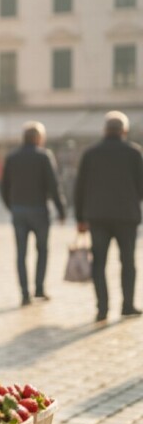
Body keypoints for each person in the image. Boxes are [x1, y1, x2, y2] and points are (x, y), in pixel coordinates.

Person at [74, 111, 143, 322]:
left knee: (99, 263)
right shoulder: (134, 152)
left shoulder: (91, 153)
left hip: (98, 216)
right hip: (126, 216)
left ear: (105, 130)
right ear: (124, 130)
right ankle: (127, 305)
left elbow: (80, 188)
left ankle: (102, 308)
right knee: (128, 262)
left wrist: (80, 218)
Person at [1, 122, 66, 306]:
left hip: (19, 210)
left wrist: (12, 206)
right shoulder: (44, 156)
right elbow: (54, 186)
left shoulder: (12, 157)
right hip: (39, 210)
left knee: (21, 253)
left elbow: (4, 187)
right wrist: (61, 209)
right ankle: (39, 288)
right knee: (42, 250)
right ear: (39, 138)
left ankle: (24, 294)